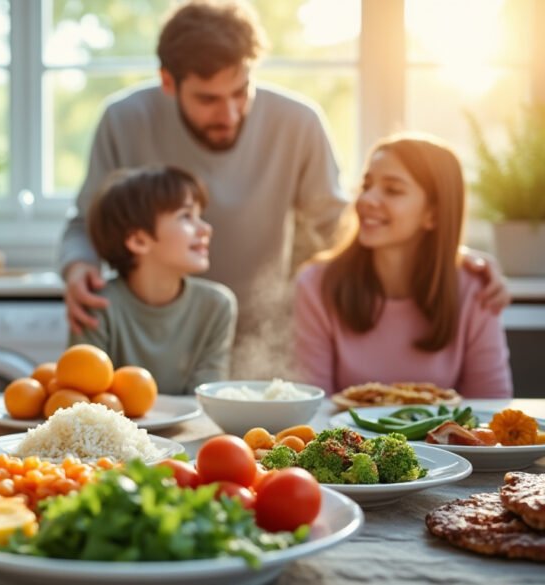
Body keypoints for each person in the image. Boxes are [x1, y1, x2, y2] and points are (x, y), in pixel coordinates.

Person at [58, 0, 510, 378]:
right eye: (209, 100)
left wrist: (449, 252)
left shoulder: (298, 122)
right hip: (161, 328)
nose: (231, 113)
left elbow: (341, 226)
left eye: (240, 91)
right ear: (168, 82)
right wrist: (78, 267)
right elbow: (87, 221)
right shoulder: (123, 119)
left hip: (271, 334)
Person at [294, 134, 513, 398]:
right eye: (367, 185)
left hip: (439, 442)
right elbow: (312, 409)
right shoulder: (317, 285)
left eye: (393, 190)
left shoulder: (477, 288)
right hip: (347, 440)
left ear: (433, 213)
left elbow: (490, 408)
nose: (366, 200)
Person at [69, 166, 236, 393]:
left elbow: (206, 400)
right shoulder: (96, 306)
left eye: (200, 216)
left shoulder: (217, 306)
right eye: (186, 216)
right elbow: (83, 400)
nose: (206, 228)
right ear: (139, 240)